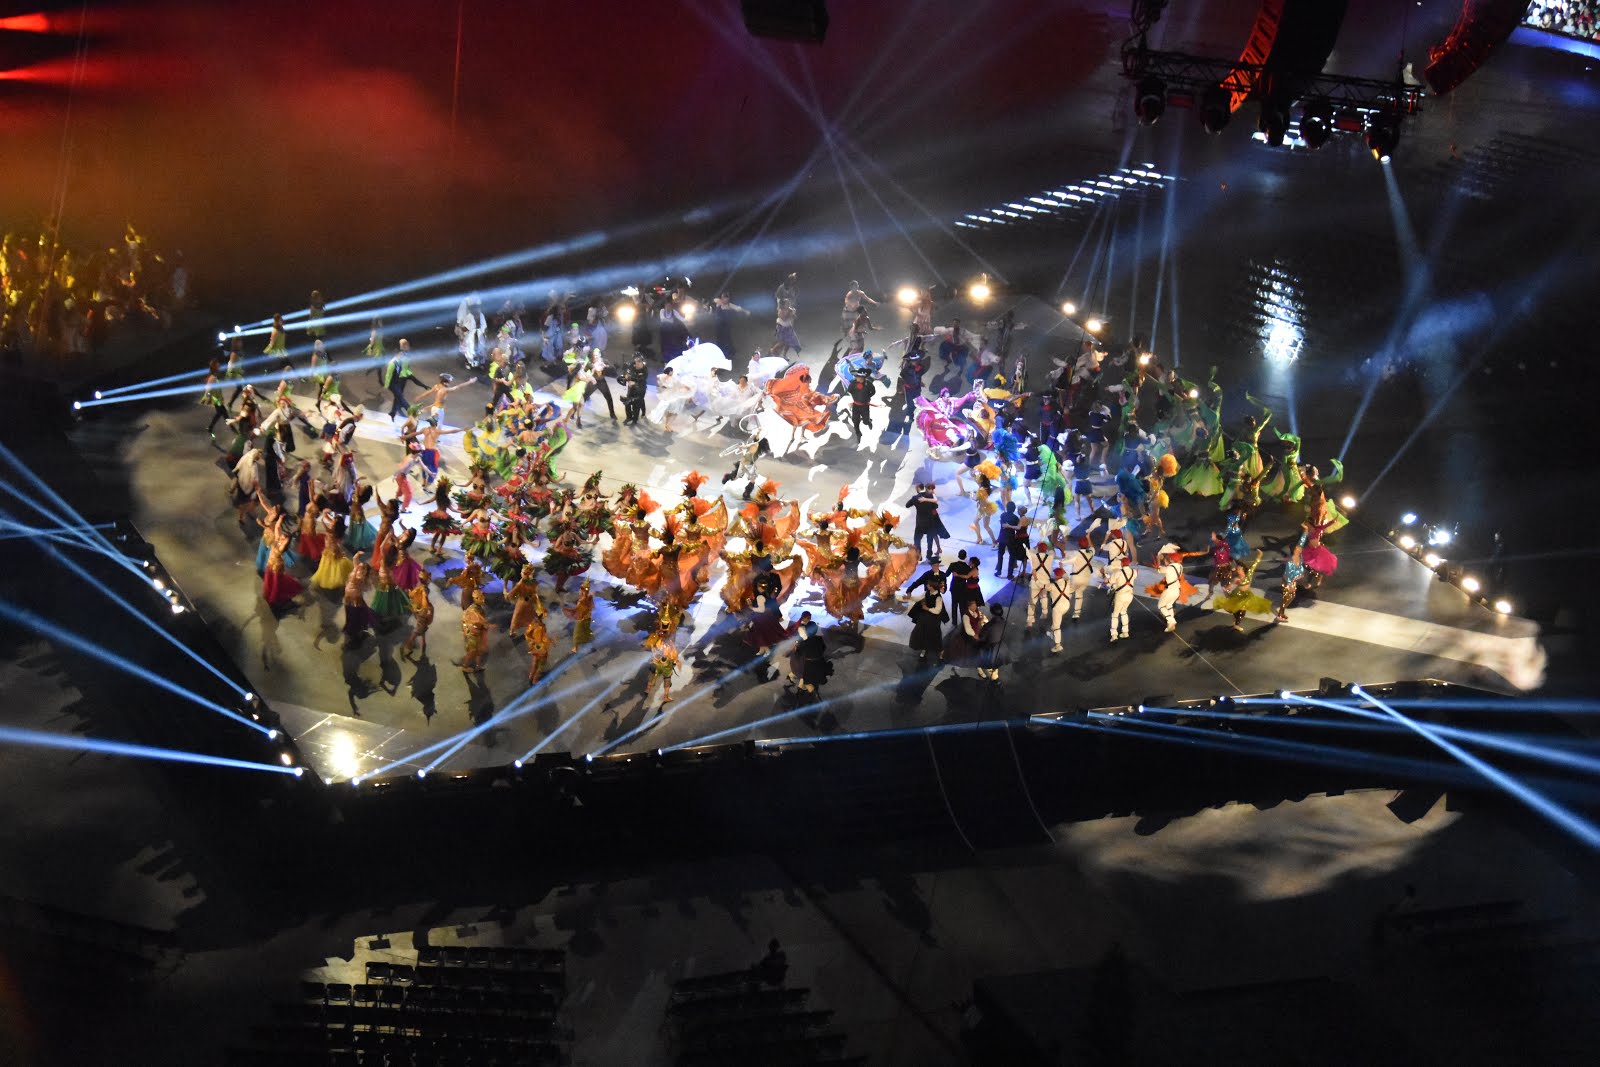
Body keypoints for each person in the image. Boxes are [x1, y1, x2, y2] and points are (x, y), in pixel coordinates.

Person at [1214, 549, 1274, 632]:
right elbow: (1229, 587)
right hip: (1237, 595)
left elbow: (1255, 564)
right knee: (1239, 611)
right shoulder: (1236, 579)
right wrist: (1225, 590)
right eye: (1237, 569)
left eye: (1239, 569)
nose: (1237, 570)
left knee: (1241, 611)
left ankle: (1236, 623)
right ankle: (1236, 624)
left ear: (1243, 569)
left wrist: (1260, 555)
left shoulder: (1249, 574)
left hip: (1246, 595)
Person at [904, 484, 949, 561]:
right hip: (930, 522)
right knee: (930, 539)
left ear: (918, 488)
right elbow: (935, 506)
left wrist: (915, 502)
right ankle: (929, 555)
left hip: (920, 523)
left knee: (917, 539)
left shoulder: (915, 498)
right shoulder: (930, 496)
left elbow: (907, 505)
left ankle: (919, 555)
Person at [908, 588, 948, 663]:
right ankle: (924, 649)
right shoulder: (927, 593)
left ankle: (940, 652)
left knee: (935, 636)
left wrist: (927, 609)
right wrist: (909, 597)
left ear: (931, 587)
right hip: (925, 619)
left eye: (928, 585)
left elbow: (938, 610)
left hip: (934, 620)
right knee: (923, 634)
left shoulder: (938, 597)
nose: (927, 586)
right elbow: (918, 598)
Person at [1104, 553, 1137, 643]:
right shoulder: (1134, 572)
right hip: (1130, 595)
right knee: (1124, 612)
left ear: (1121, 564)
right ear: (1129, 564)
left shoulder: (1118, 572)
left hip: (1120, 595)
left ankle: (1114, 635)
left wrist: (1107, 578)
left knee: (1115, 614)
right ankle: (1125, 632)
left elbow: (1111, 581)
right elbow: (1135, 576)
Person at [977, 604, 1008, 682]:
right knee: (996, 664)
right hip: (1000, 646)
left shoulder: (989, 626)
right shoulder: (1003, 621)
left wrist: (980, 624)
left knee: (990, 666)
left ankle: (995, 680)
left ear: (992, 612)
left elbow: (981, 637)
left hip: (991, 649)